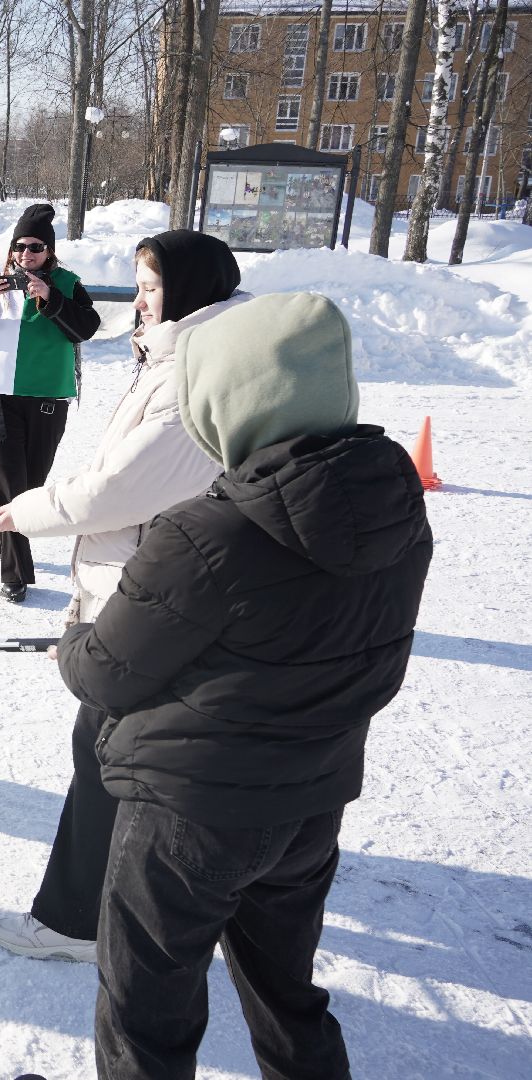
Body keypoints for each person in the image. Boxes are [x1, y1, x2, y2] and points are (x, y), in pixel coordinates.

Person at [57, 293, 431, 1079]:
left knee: (145, 1014)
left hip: (189, 814)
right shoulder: (394, 512)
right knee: (286, 992)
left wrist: (77, 635)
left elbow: (103, 675)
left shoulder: (203, 533)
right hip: (311, 802)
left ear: (226, 402)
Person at [0, 230, 248, 964]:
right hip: (153, 584)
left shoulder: (194, 373)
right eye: (138, 286)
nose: (138, 301)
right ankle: (176, 889)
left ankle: (78, 922)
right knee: (130, 750)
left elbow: (122, 490)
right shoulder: (182, 356)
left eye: (151, 288)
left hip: (153, 592)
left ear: (189, 292)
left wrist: (27, 511)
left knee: (105, 748)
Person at [0, 203, 100, 603]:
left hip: (48, 397)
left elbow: (86, 329)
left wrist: (51, 298)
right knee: (10, 481)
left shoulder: (67, 284)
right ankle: (15, 573)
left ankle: (2, 530)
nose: (26, 254)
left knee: (29, 486)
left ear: (49, 251)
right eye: (19, 246)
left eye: (35, 247)